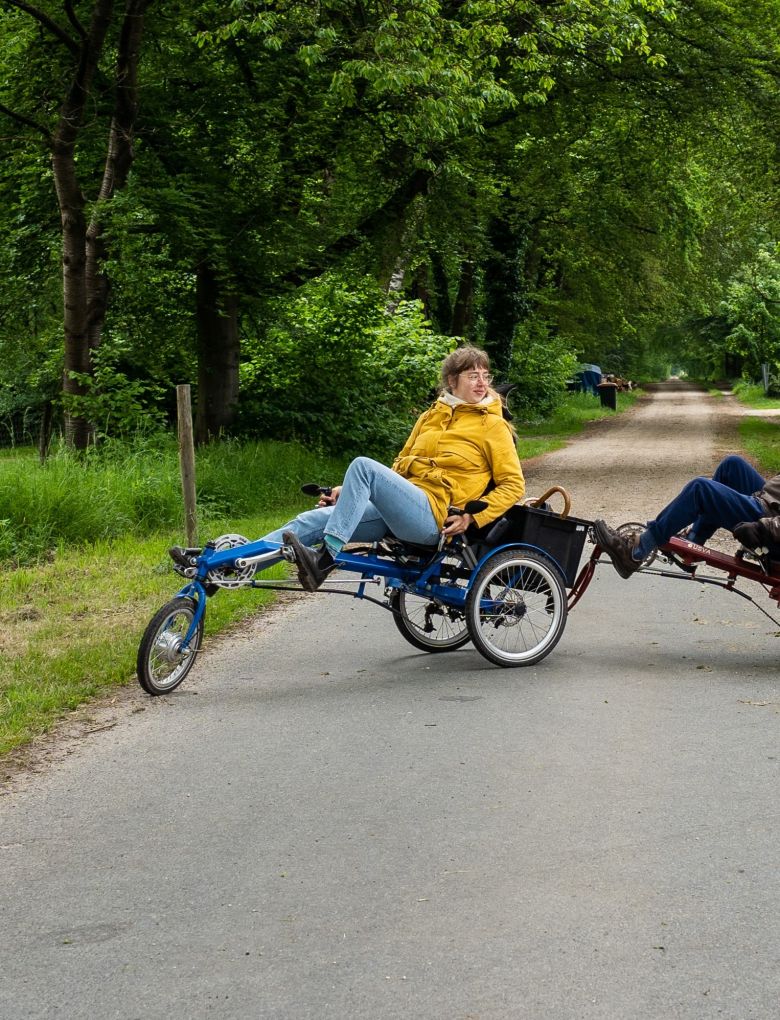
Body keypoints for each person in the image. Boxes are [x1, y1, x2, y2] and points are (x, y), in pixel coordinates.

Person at [260, 346, 526, 591]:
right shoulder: (430, 416)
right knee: (310, 521)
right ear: (452, 381)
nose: (482, 383)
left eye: (485, 376)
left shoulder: (493, 426)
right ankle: (238, 565)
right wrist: (351, 491)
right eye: (473, 376)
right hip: (404, 508)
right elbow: (398, 468)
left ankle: (325, 558)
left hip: (434, 516)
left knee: (363, 465)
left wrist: (471, 518)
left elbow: (513, 485)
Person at [594, 454, 780, 579]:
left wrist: (763, 527)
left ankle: (636, 552)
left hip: (770, 524)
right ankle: (694, 540)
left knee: (700, 489)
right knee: (732, 465)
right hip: (770, 503)